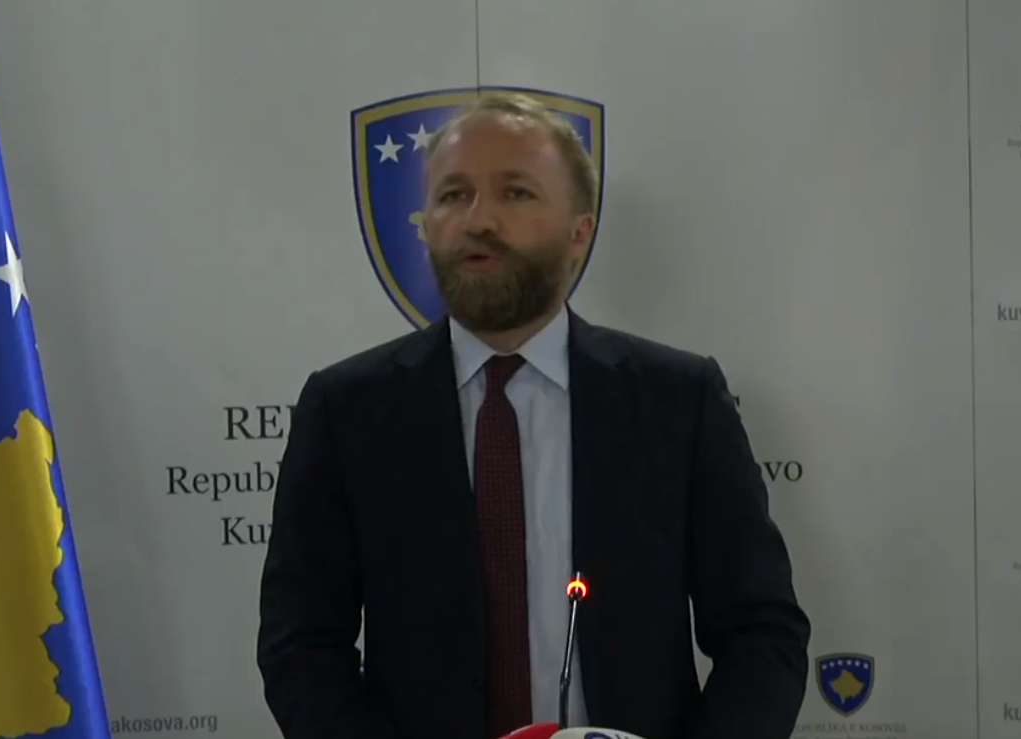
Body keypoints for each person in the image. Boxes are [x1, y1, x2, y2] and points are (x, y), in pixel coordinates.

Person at [257, 92, 810, 739]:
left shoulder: (679, 401)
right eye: (453, 195)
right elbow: (301, 648)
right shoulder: (347, 409)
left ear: (579, 231)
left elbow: (761, 632)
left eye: (515, 193)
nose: (478, 219)